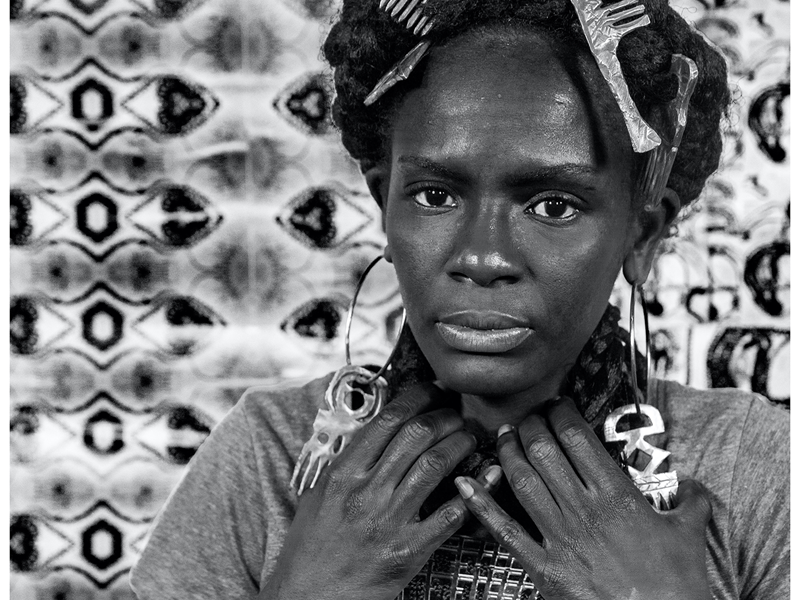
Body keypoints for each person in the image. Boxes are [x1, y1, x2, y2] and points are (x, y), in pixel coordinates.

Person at [129, 1, 789, 599]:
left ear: (640, 234)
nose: (482, 256)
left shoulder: (754, 468)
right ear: (384, 202)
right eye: (435, 196)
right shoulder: (269, 458)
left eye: (553, 205)